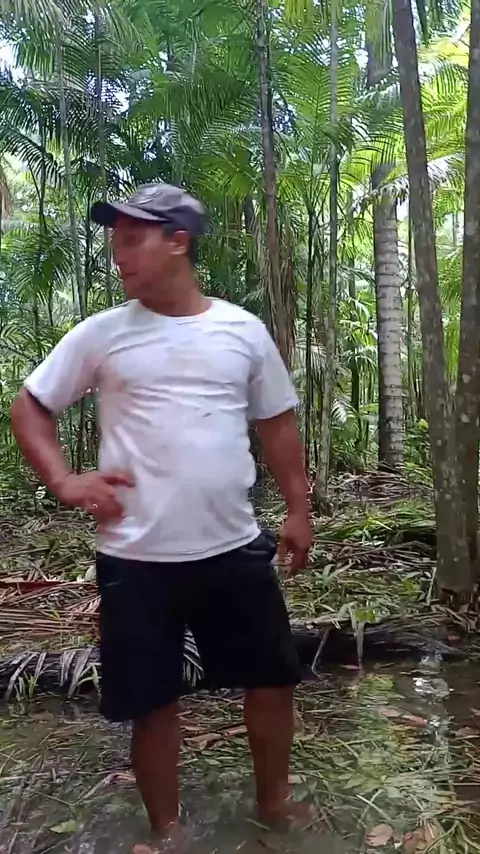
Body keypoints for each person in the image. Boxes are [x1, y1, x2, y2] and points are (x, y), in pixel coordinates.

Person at [11, 183, 313, 853]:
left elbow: (277, 422)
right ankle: (167, 831)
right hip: (136, 559)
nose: (118, 255)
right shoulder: (103, 334)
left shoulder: (240, 330)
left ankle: (275, 804)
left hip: (232, 547)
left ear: (178, 241)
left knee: (271, 681)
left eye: (132, 240)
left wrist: (299, 508)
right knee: (152, 703)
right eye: (114, 241)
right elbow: (30, 406)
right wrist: (63, 479)